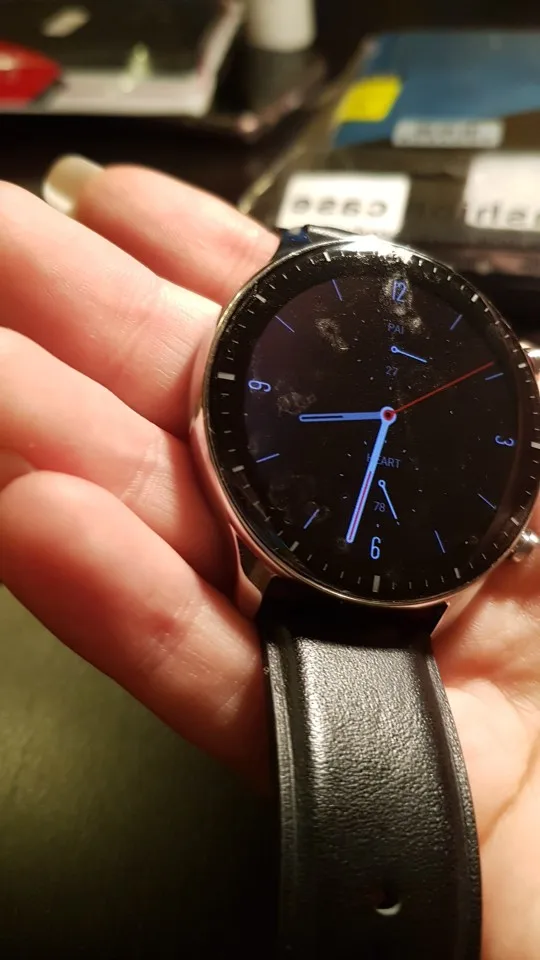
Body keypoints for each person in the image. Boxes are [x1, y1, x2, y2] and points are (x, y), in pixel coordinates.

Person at [0, 155, 539, 959]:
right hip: (290, 567)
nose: (388, 415)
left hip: (430, 584)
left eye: (395, 409)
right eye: (383, 410)